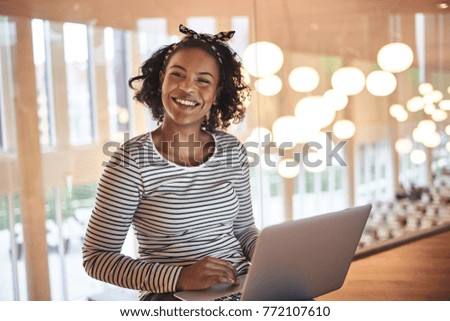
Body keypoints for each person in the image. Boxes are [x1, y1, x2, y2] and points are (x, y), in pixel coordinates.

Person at [82, 24, 259, 301]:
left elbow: (244, 229)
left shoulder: (231, 149)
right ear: (162, 79)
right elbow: (97, 258)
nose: (188, 87)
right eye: (178, 74)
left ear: (216, 92)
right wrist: (181, 277)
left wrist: (270, 258)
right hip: (173, 296)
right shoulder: (130, 162)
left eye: (203, 80)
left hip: (243, 284)